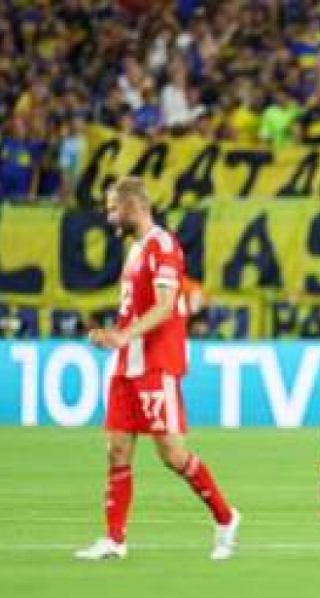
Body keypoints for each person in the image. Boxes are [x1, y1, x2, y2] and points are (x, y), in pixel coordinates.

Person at [76, 177, 239, 560]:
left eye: (113, 207)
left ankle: (226, 517)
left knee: (172, 454)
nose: (109, 214)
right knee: (117, 449)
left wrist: (123, 335)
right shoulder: (134, 251)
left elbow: (167, 305)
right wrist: (115, 336)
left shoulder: (163, 245)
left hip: (155, 364)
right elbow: (137, 306)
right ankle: (114, 540)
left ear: (134, 206)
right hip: (126, 365)